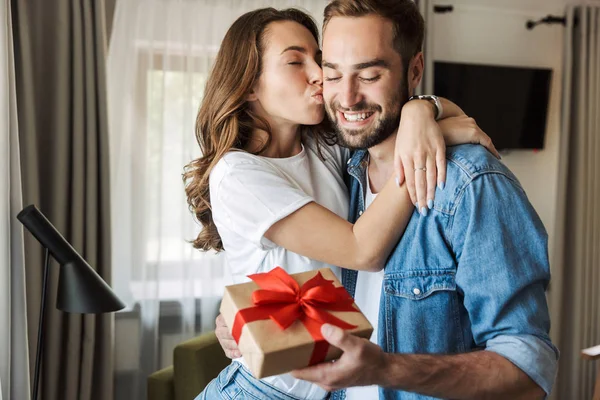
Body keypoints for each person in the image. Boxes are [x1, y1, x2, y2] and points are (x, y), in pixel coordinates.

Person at [216, 1, 559, 399]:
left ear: (414, 70)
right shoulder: (347, 166)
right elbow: (340, 256)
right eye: (333, 73)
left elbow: (530, 369)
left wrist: (423, 109)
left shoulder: (469, 184)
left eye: (369, 74)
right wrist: (237, 318)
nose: (345, 96)